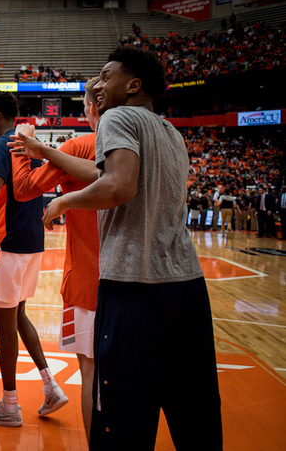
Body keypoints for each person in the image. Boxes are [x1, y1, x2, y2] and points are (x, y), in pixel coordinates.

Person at [41, 46, 222, 449]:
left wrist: (63, 201)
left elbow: (119, 185)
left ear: (134, 85)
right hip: (187, 286)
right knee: (195, 412)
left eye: (106, 77)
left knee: (122, 415)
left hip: (135, 287)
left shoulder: (118, 117)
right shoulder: (171, 131)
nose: (96, 85)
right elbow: (114, 175)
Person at [0, 92, 67, 430]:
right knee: (19, 316)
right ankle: (50, 385)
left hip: (7, 242)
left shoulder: (1, 145)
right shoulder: (28, 142)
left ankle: (9, 405)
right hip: (32, 240)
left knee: (5, 326)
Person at [8, 78, 101, 443]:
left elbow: (23, 189)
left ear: (91, 108)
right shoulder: (145, 144)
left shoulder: (78, 145)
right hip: (143, 283)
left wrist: (21, 146)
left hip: (89, 281)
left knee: (93, 372)